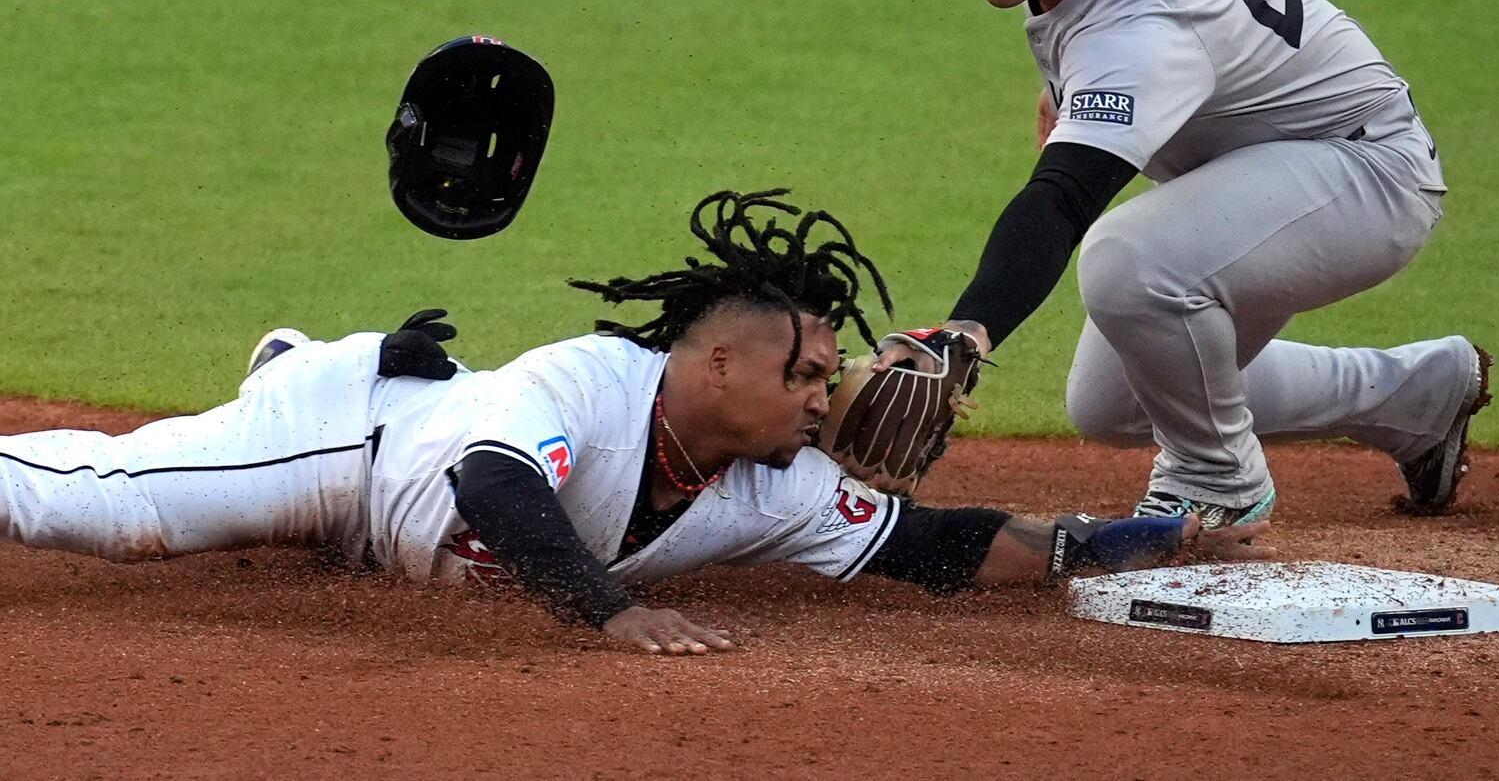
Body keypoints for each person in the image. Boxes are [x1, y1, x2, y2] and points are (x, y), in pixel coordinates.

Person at [0, 190, 1266, 656]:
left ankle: (273, 371)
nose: (827, 397)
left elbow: (932, 545)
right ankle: (288, 378)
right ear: (717, 363)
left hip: (387, 511)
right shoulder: (590, 382)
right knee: (105, 511)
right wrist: (611, 608)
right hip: (352, 443)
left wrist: (1121, 541)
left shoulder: (773, 484)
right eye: (808, 373)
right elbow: (496, 484)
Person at [886, 0, 1491, 529]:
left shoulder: (1145, 25)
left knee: (1127, 261)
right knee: (1115, 402)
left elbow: (1065, 197)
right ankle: (1416, 394)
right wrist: (1074, 87)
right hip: (1268, 166)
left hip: (1363, 176)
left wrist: (967, 332)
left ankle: (1216, 482)